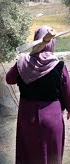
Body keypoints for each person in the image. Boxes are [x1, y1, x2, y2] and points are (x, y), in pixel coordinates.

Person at [6, 26, 70, 164]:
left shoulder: (22, 63)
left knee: (29, 155)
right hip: (52, 118)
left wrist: (26, 58)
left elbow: (9, 79)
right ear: (52, 43)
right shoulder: (59, 66)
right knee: (52, 155)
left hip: (27, 118)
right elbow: (67, 91)